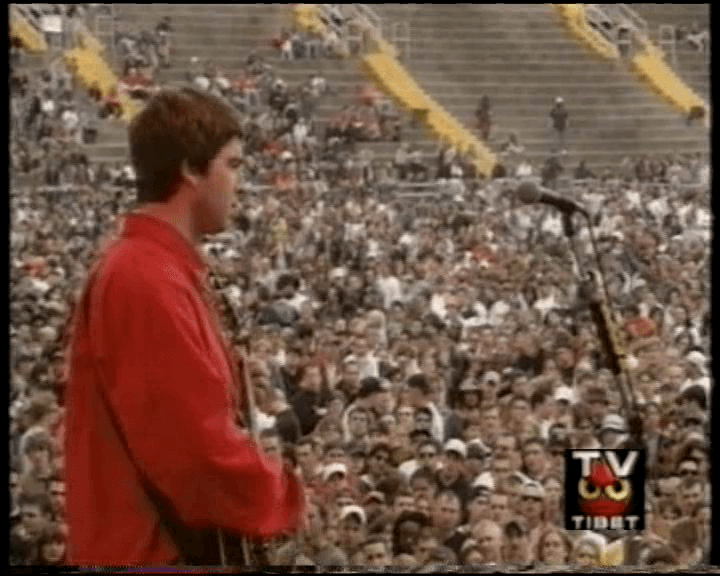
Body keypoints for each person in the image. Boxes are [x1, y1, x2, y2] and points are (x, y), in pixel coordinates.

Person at [65, 88, 305, 565]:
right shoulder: (144, 277)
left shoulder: (159, 268)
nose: (240, 183)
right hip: (154, 554)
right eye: (232, 166)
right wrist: (284, 495)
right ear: (191, 170)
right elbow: (193, 454)